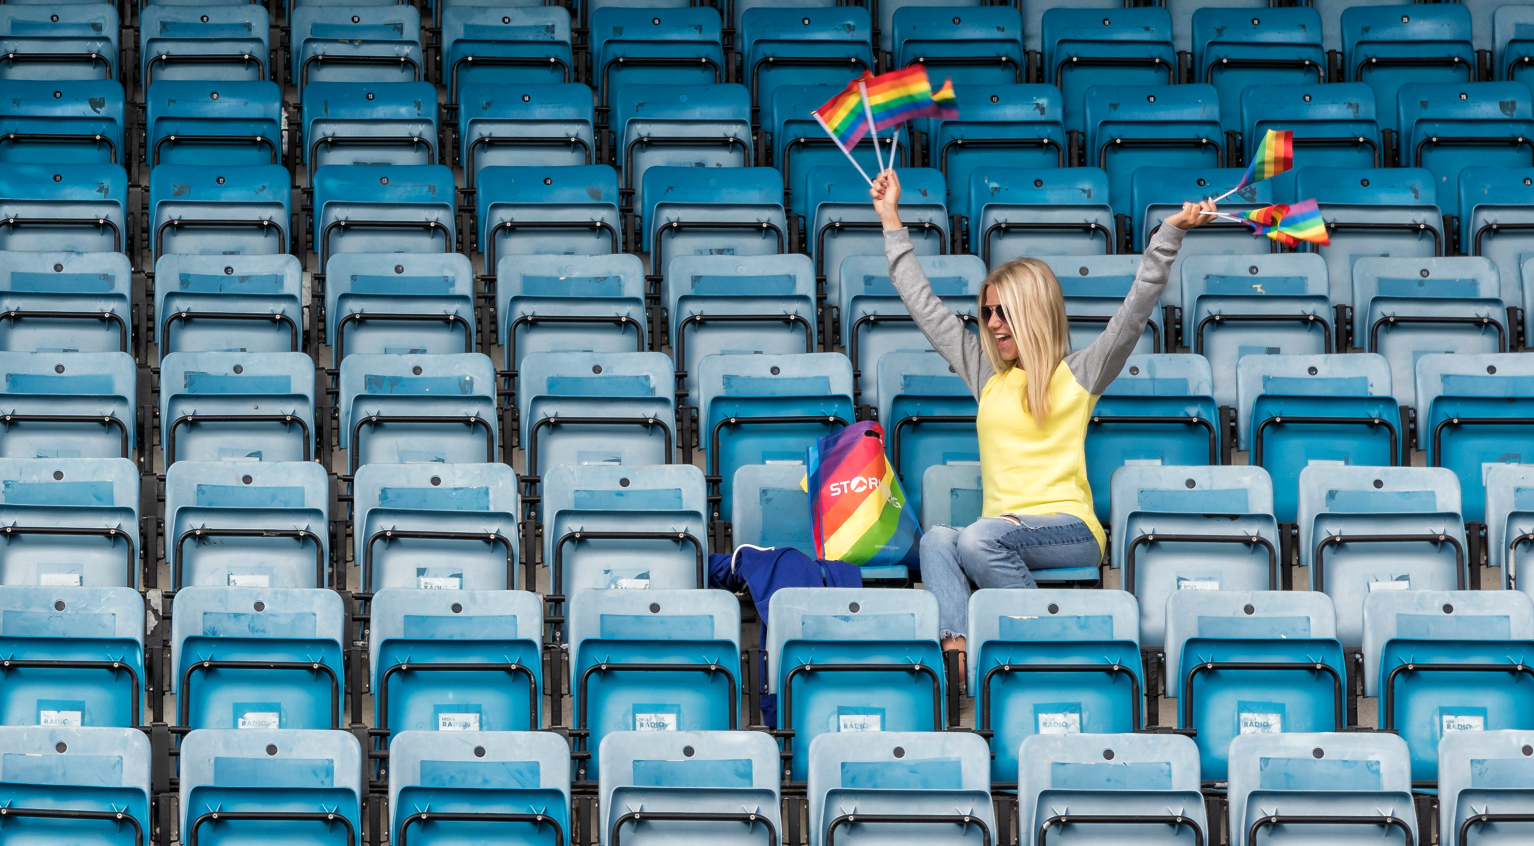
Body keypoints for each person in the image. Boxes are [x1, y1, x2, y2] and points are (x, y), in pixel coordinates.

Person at [870, 167, 1216, 654]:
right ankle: (958, 661)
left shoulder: (1080, 373)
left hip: (1068, 530)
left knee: (975, 540)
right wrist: (890, 220)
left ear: (1031, 313)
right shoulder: (987, 376)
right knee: (936, 542)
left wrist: (1171, 233)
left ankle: (1044, 645)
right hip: (998, 536)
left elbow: (1138, 305)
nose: (991, 323)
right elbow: (924, 306)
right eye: (987, 312)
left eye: (1003, 312)